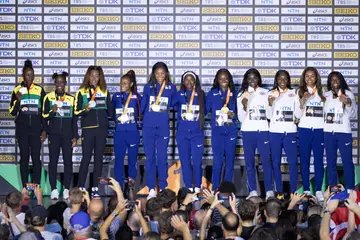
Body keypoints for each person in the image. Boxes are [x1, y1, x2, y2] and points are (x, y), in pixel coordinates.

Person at [74, 66, 113, 198]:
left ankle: (95, 187)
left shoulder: (104, 91)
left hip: (102, 129)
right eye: (92, 75)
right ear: (88, 76)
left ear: (100, 77)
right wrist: (84, 110)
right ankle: (80, 187)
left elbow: (111, 111)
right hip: (88, 129)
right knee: (85, 158)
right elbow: (75, 111)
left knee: (98, 159)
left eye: (97, 76)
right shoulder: (81, 92)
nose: (94, 78)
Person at [8, 59, 47, 194]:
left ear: (34, 76)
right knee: (24, 158)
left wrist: (44, 130)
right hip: (22, 130)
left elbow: (44, 113)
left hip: (36, 130)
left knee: (36, 158)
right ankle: (25, 189)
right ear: (23, 76)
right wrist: (18, 99)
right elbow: (12, 112)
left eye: (31, 75)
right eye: (26, 75)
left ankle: (36, 188)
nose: (29, 77)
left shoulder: (40, 90)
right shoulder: (17, 90)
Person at [140, 62, 176, 197]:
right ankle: (151, 189)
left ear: (166, 73)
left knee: (162, 158)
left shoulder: (171, 88)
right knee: (150, 158)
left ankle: (162, 187)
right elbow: (142, 105)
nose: (160, 76)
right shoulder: (148, 87)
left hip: (163, 127)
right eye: (157, 73)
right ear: (153, 74)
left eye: (162, 73)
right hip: (148, 127)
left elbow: (175, 104)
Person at [237, 68, 273, 199]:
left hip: (263, 131)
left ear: (259, 79)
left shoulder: (265, 92)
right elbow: (240, 118)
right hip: (247, 132)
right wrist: (245, 106)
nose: (252, 81)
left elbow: (269, 114)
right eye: (249, 78)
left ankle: (269, 190)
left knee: (266, 161)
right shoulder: (241, 95)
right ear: (246, 80)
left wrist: (270, 104)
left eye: (255, 78)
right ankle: (252, 190)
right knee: (249, 162)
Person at [42, 72, 78, 200]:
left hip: (67, 135)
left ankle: (66, 189)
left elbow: (74, 119)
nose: (60, 85)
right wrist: (53, 111)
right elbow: (44, 116)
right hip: (54, 135)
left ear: (65, 83)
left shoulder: (71, 99)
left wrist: (75, 136)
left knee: (68, 162)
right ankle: (53, 189)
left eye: (62, 82)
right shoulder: (48, 97)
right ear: (54, 83)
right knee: (53, 162)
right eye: (57, 82)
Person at [295, 67, 326, 201]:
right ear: (303, 78)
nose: (309, 78)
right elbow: (296, 115)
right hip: (304, 130)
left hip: (319, 130)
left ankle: (319, 189)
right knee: (305, 160)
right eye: (307, 76)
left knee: (318, 161)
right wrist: (302, 101)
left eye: (312, 76)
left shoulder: (323, 92)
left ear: (316, 78)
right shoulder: (299, 92)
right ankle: (307, 189)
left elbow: (326, 111)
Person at [172, 71, 205, 193]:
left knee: (197, 162)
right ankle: (188, 186)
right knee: (185, 161)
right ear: (183, 81)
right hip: (182, 133)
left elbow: (205, 111)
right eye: (186, 79)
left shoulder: (200, 94)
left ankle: (197, 186)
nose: (189, 82)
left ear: (195, 81)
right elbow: (172, 105)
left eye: (191, 80)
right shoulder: (180, 93)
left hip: (197, 133)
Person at [324, 71, 357, 190]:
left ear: (341, 80)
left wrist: (348, 103)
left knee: (347, 161)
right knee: (330, 161)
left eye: (337, 79)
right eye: (332, 80)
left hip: (343, 133)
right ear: (329, 82)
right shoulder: (326, 95)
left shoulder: (348, 94)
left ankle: (350, 188)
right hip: (328, 133)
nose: (334, 82)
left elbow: (353, 115)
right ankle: (333, 188)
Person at [206, 69, 237, 190]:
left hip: (231, 131)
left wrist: (233, 115)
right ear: (217, 80)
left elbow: (239, 114)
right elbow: (206, 110)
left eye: (226, 78)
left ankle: (227, 189)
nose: (223, 80)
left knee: (229, 162)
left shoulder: (234, 93)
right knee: (218, 161)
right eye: (221, 78)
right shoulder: (212, 93)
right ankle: (215, 188)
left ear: (229, 80)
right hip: (217, 132)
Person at [267, 70, 298, 194]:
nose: (282, 81)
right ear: (276, 80)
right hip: (275, 132)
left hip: (290, 132)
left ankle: (293, 191)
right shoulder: (270, 93)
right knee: (275, 162)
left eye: (285, 79)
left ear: (288, 80)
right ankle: (278, 191)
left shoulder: (294, 93)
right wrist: (270, 104)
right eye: (280, 79)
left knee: (293, 162)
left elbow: (297, 114)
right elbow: (269, 116)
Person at [112, 70, 141, 189]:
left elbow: (140, 112)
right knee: (118, 159)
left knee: (132, 160)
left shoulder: (137, 97)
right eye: (121, 83)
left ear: (131, 84)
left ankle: (131, 183)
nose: (122, 86)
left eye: (125, 83)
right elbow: (111, 111)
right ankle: (118, 185)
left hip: (132, 132)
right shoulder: (116, 96)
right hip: (119, 132)